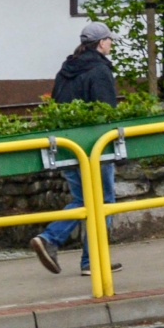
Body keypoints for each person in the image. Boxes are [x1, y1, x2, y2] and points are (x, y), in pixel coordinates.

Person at [30, 23, 123, 277]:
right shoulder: (100, 70)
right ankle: (53, 239)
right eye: (109, 40)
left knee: (83, 200)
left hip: (68, 146)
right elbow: (106, 112)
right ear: (102, 43)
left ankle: (89, 261)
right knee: (102, 201)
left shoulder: (66, 70)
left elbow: (57, 109)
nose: (111, 44)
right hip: (95, 147)